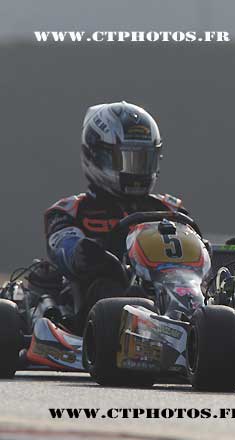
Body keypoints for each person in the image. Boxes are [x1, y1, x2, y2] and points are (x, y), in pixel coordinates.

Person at [38, 101, 187, 333]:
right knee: (111, 285)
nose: (137, 170)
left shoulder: (169, 209)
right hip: (98, 306)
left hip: (167, 293)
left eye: (143, 160)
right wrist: (84, 252)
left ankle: (195, 327)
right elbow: (64, 246)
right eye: (128, 160)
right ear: (97, 156)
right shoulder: (71, 211)